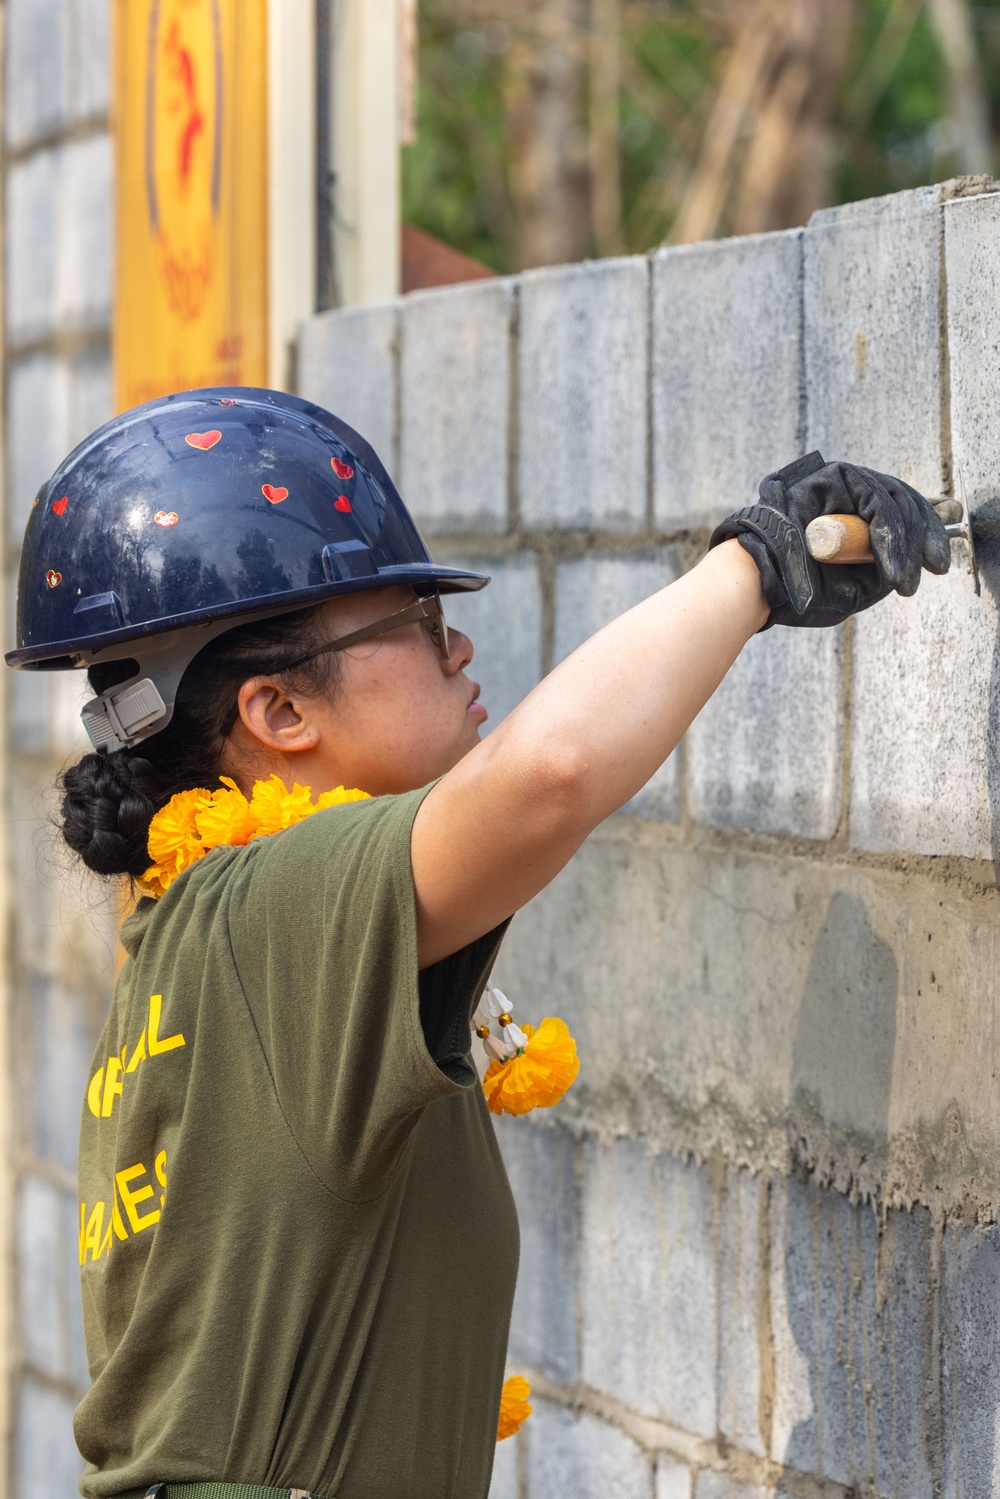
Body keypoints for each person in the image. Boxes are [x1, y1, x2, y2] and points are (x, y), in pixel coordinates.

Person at [6, 388, 951, 1499]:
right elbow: (547, 777)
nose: (456, 645)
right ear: (278, 711)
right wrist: (757, 566)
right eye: (410, 623)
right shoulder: (268, 912)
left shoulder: (213, 932)